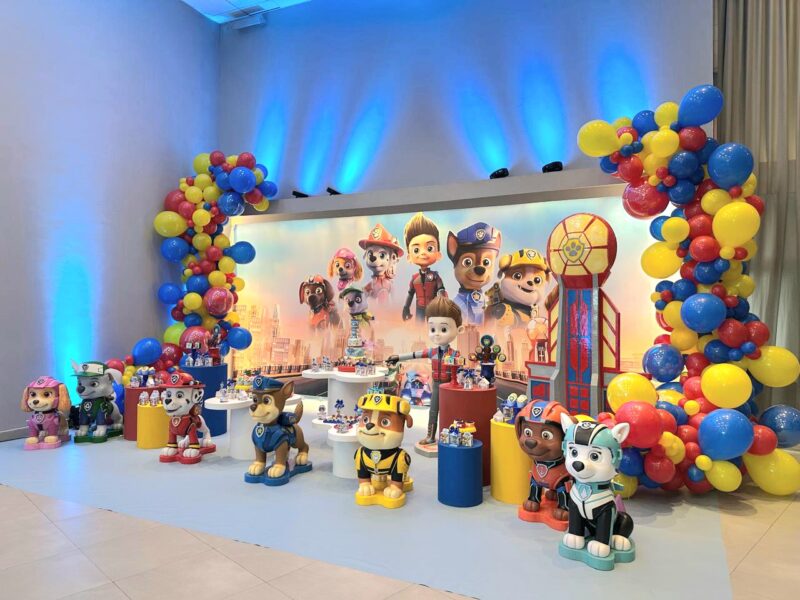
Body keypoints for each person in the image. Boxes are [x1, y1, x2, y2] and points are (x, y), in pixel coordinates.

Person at [387, 293, 464, 446]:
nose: (437, 334)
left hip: (450, 387)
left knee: (451, 412)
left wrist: (462, 381)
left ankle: (452, 436)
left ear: (459, 330)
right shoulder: (432, 352)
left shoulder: (455, 355)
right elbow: (415, 354)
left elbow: (461, 371)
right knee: (433, 412)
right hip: (436, 385)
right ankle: (430, 436)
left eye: (443, 329)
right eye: (432, 329)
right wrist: (398, 357)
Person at [402, 212, 446, 322]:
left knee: (433, 327)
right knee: (419, 328)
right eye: (416, 250)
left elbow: (441, 290)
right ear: (409, 257)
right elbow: (410, 294)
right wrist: (406, 307)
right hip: (420, 308)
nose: (423, 253)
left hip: (433, 308)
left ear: (438, 254)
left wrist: (442, 305)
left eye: (429, 248)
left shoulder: (435, 276)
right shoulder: (414, 279)